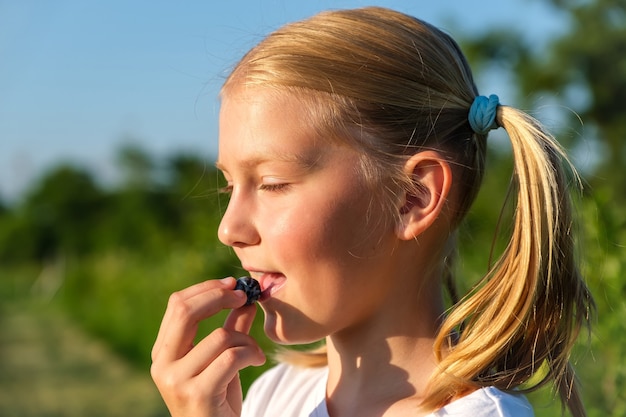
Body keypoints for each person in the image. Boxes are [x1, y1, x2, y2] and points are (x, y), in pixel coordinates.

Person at [150, 7, 594, 417]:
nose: (229, 228)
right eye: (229, 186)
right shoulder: (273, 394)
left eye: (272, 184)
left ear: (412, 197)